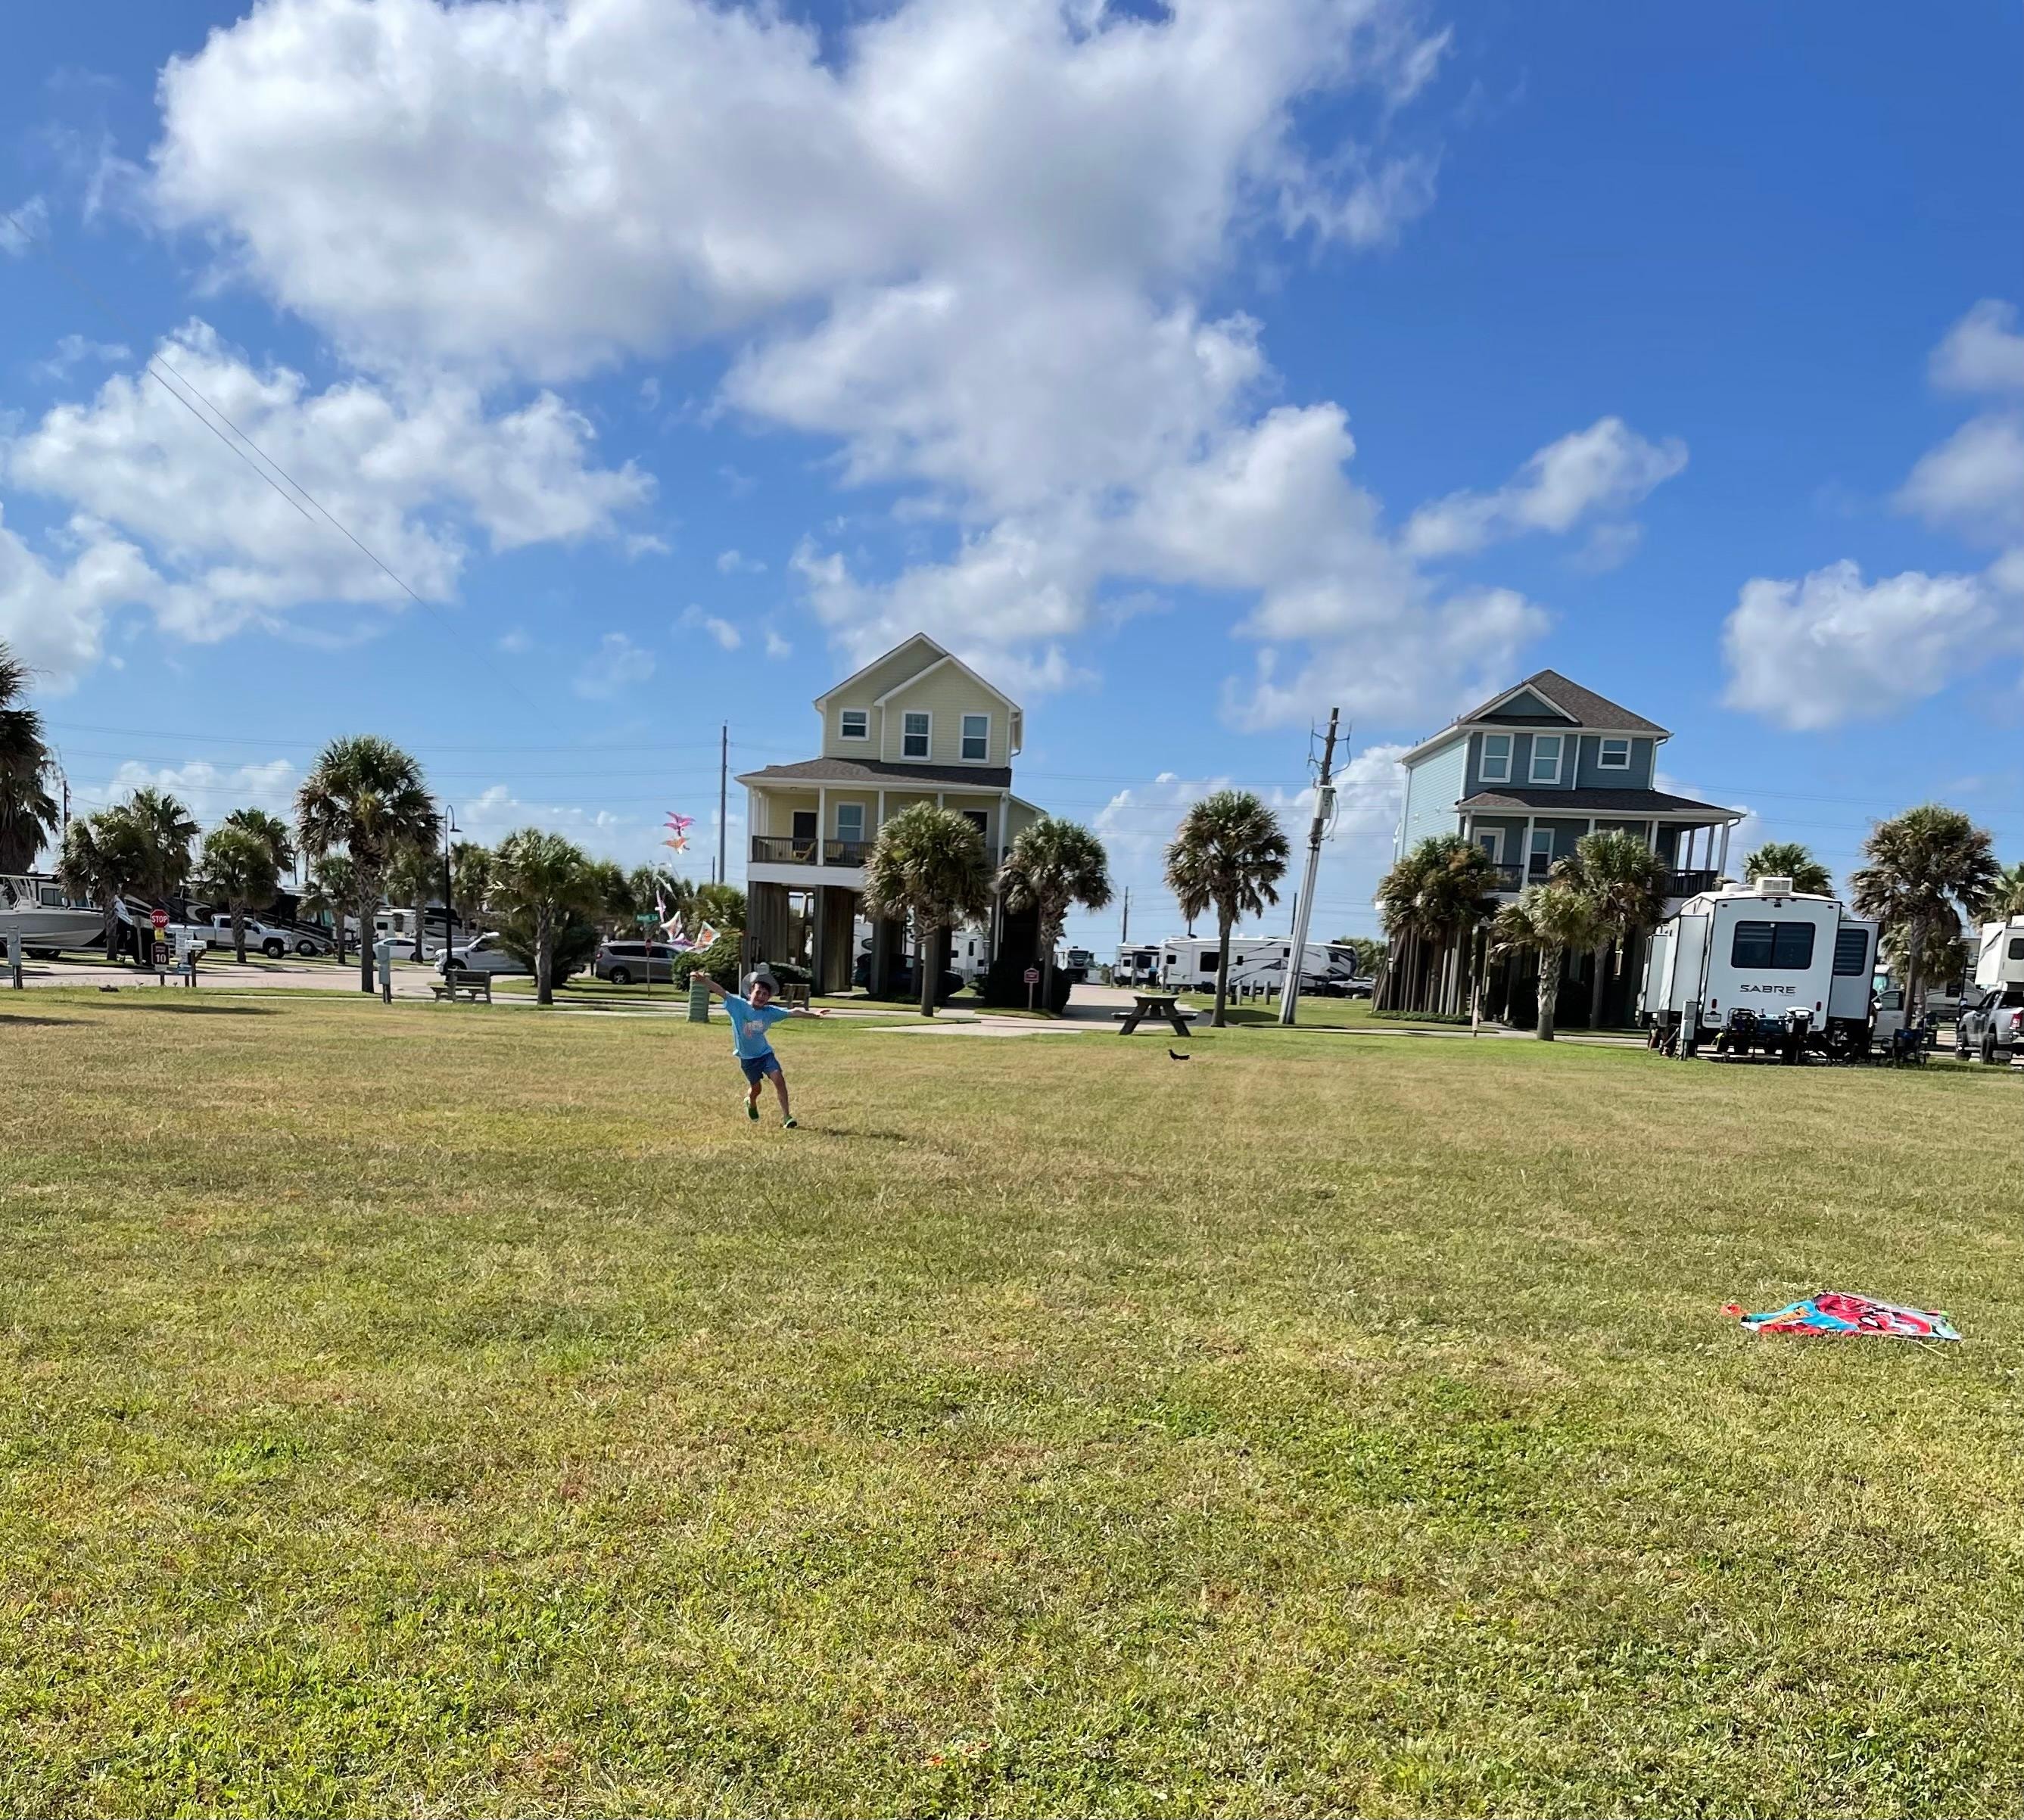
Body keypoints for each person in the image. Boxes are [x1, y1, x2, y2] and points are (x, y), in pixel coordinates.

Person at [696, 969, 828, 1126]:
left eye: (765, 994)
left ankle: (787, 1117)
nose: (761, 997)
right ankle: (750, 1102)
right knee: (756, 1089)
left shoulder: (770, 1013)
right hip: (748, 1059)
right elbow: (721, 991)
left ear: (769, 998)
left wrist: (815, 1014)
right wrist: (704, 981)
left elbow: (794, 1012)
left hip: (765, 1055)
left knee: (779, 1079)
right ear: (751, 991)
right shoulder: (738, 1006)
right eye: (758, 992)